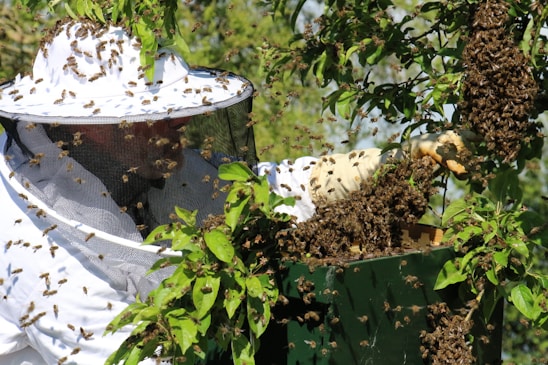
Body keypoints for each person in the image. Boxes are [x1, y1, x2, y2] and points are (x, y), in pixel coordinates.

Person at [0, 18, 474, 364]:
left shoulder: (132, 158)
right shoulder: (40, 252)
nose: (182, 119)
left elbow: (263, 190)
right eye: (161, 112)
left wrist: (386, 161)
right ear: (100, 127)